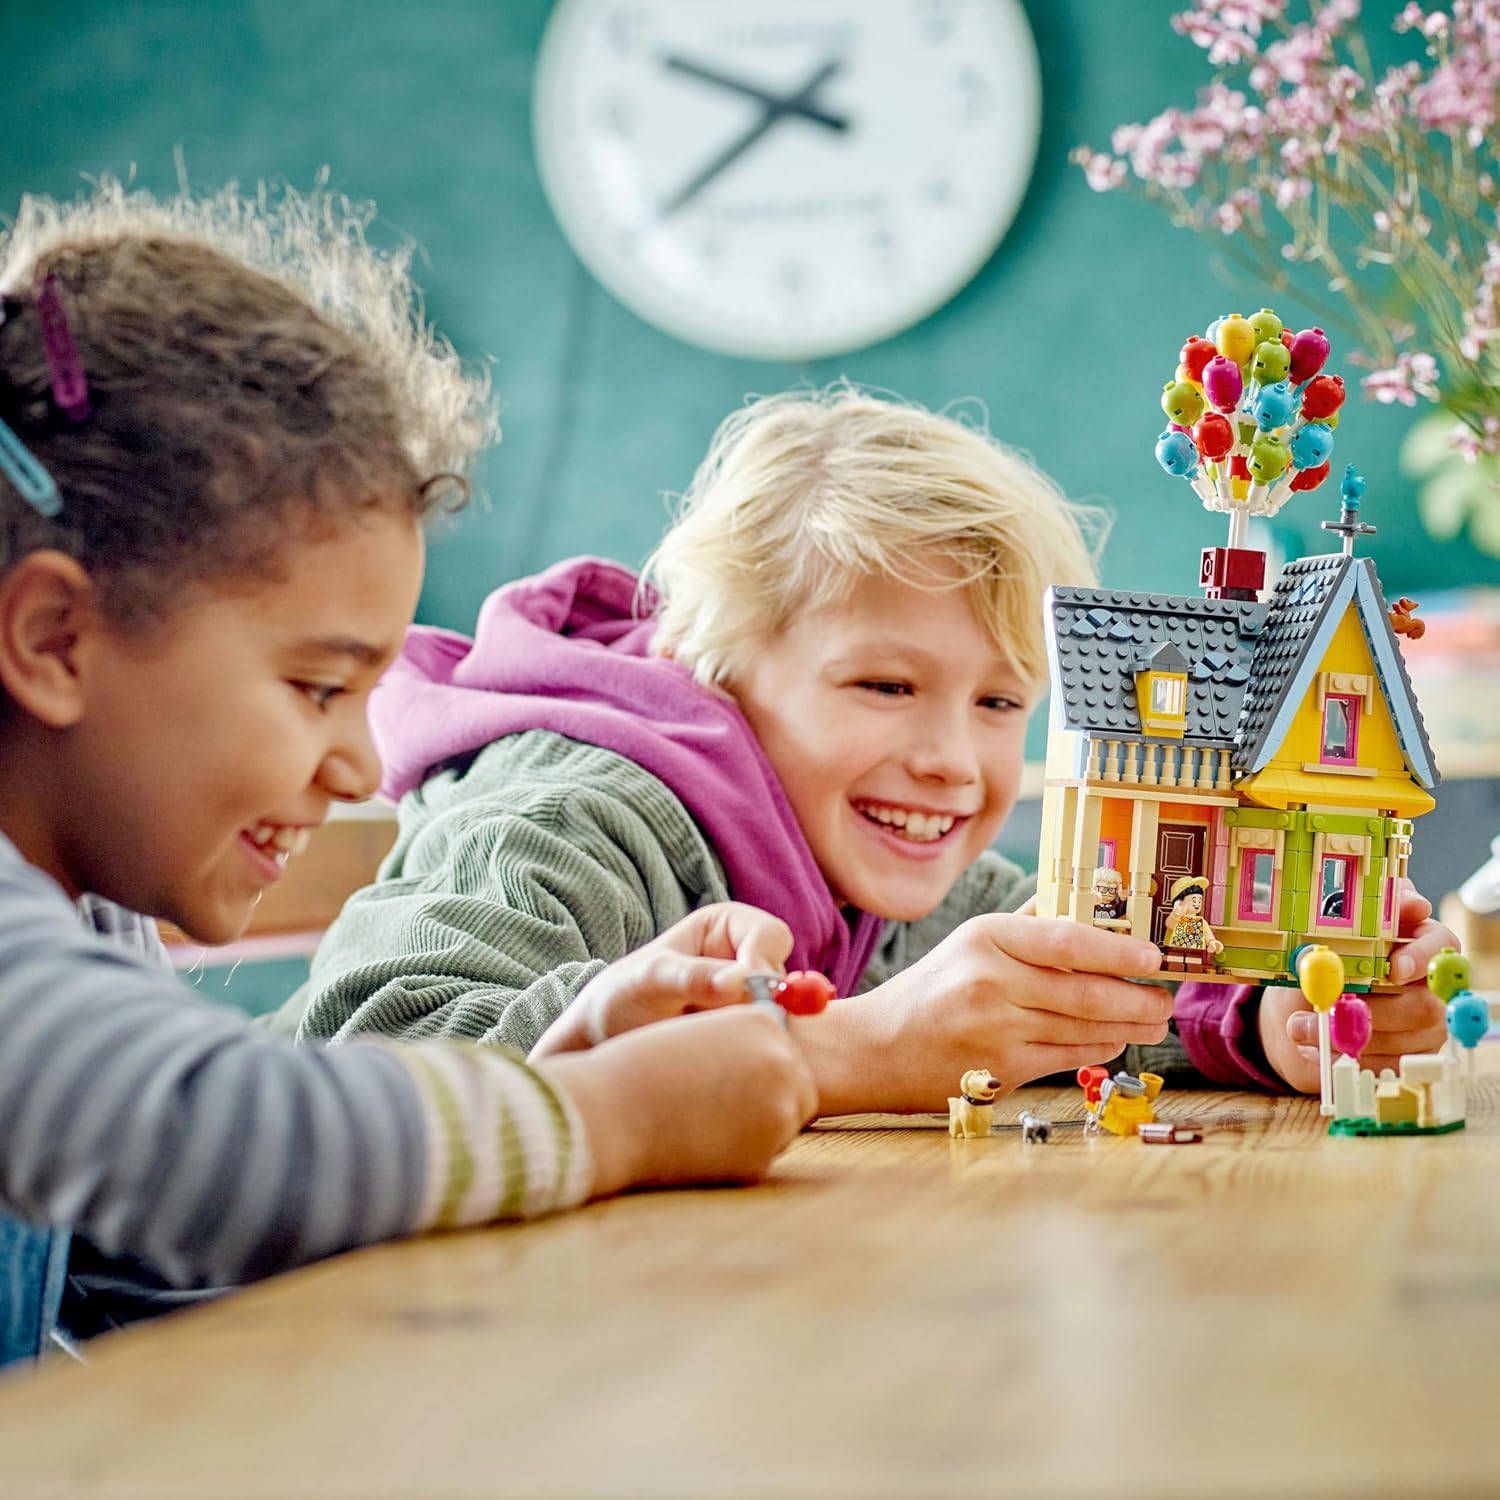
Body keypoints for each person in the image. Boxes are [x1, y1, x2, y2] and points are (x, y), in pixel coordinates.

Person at [0, 181, 816, 1367]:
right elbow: (200, 1144)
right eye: (319, 688)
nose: (362, 763)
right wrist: (612, 1120)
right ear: (53, 642)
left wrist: (550, 1061)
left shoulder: (88, 907)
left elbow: (150, 1272)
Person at [295, 386, 1456, 1108]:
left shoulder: (889, 865)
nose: (954, 759)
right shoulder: (567, 820)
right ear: (714, 667)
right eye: (887, 684)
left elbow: (1077, 990)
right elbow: (361, 1073)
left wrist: (1267, 1023)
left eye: (1003, 704)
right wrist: (846, 1050)